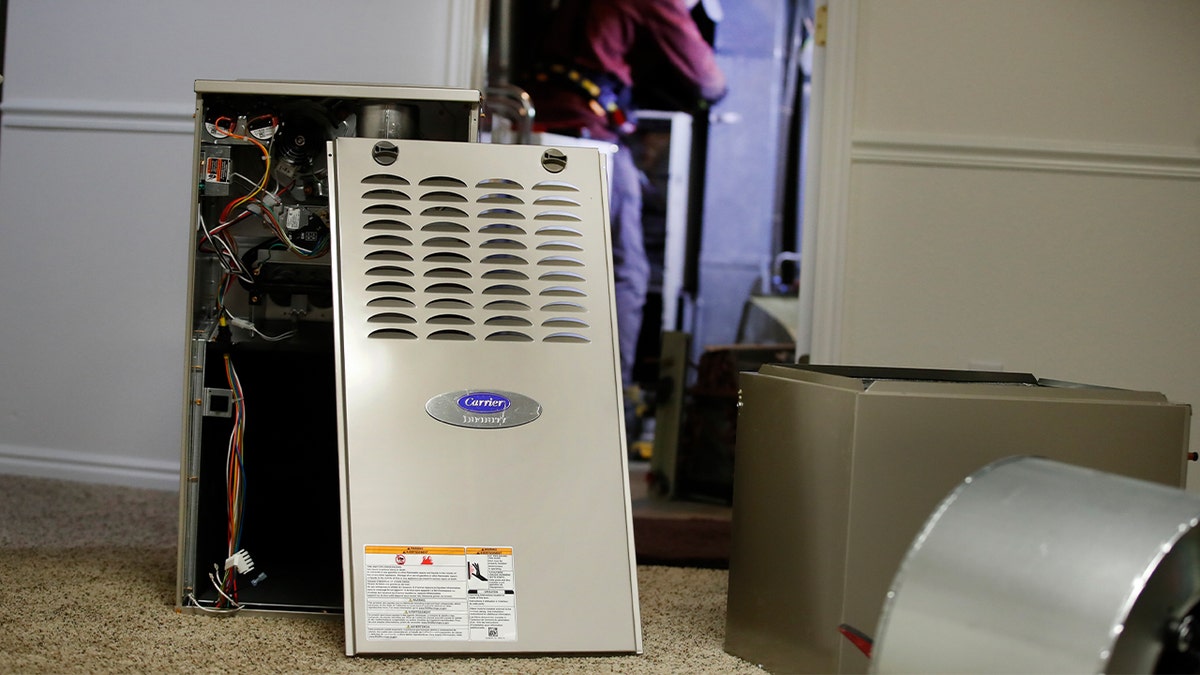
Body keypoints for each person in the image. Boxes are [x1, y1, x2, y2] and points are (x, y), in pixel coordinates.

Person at [518, 0, 727, 396]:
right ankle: (613, 403)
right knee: (626, 272)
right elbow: (708, 83)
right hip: (583, 136)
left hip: (527, 126)